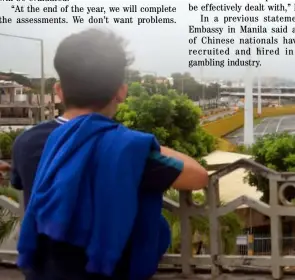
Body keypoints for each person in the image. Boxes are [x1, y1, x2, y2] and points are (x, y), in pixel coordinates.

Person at [11, 29, 209, 280]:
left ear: (59, 90)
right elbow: (198, 176)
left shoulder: (25, 143)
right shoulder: (127, 150)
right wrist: (143, 143)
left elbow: (19, 181)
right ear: (121, 92)